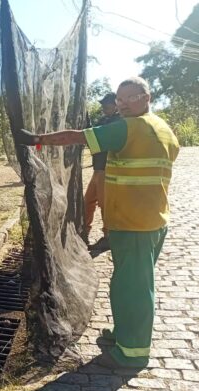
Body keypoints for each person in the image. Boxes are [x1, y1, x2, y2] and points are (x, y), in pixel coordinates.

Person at [18, 77, 179, 369]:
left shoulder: (129, 128)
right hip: (153, 221)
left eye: (130, 98)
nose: (122, 104)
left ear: (147, 97)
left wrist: (38, 140)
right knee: (127, 283)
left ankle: (132, 353)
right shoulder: (164, 129)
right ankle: (123, 334)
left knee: (134, 288)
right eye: (119, 99)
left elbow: (76, 137)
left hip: (134, 225)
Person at [84, 92, 120, 249]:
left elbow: (99, 140)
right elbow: (91, 138)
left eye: (107, 105)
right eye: (103, 105)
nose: (104, 108)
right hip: (97, 168)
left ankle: (108, 236)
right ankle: (84, 232)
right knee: (88, 202)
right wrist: (87, 125)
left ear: (116, 106)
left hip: (107, 168)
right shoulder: (104, 120)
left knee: (105, 204)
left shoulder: (118, 122)